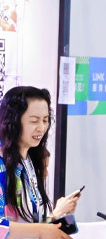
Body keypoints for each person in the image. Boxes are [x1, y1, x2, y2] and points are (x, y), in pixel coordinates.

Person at [0, 87, 79, 239]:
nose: (42, 128)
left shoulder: (30, 160)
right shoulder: (2, 165)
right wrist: (42, 230)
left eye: (45, 120)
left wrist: (55, 217)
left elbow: (28, 223)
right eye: (34, 121)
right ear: (12, 121)